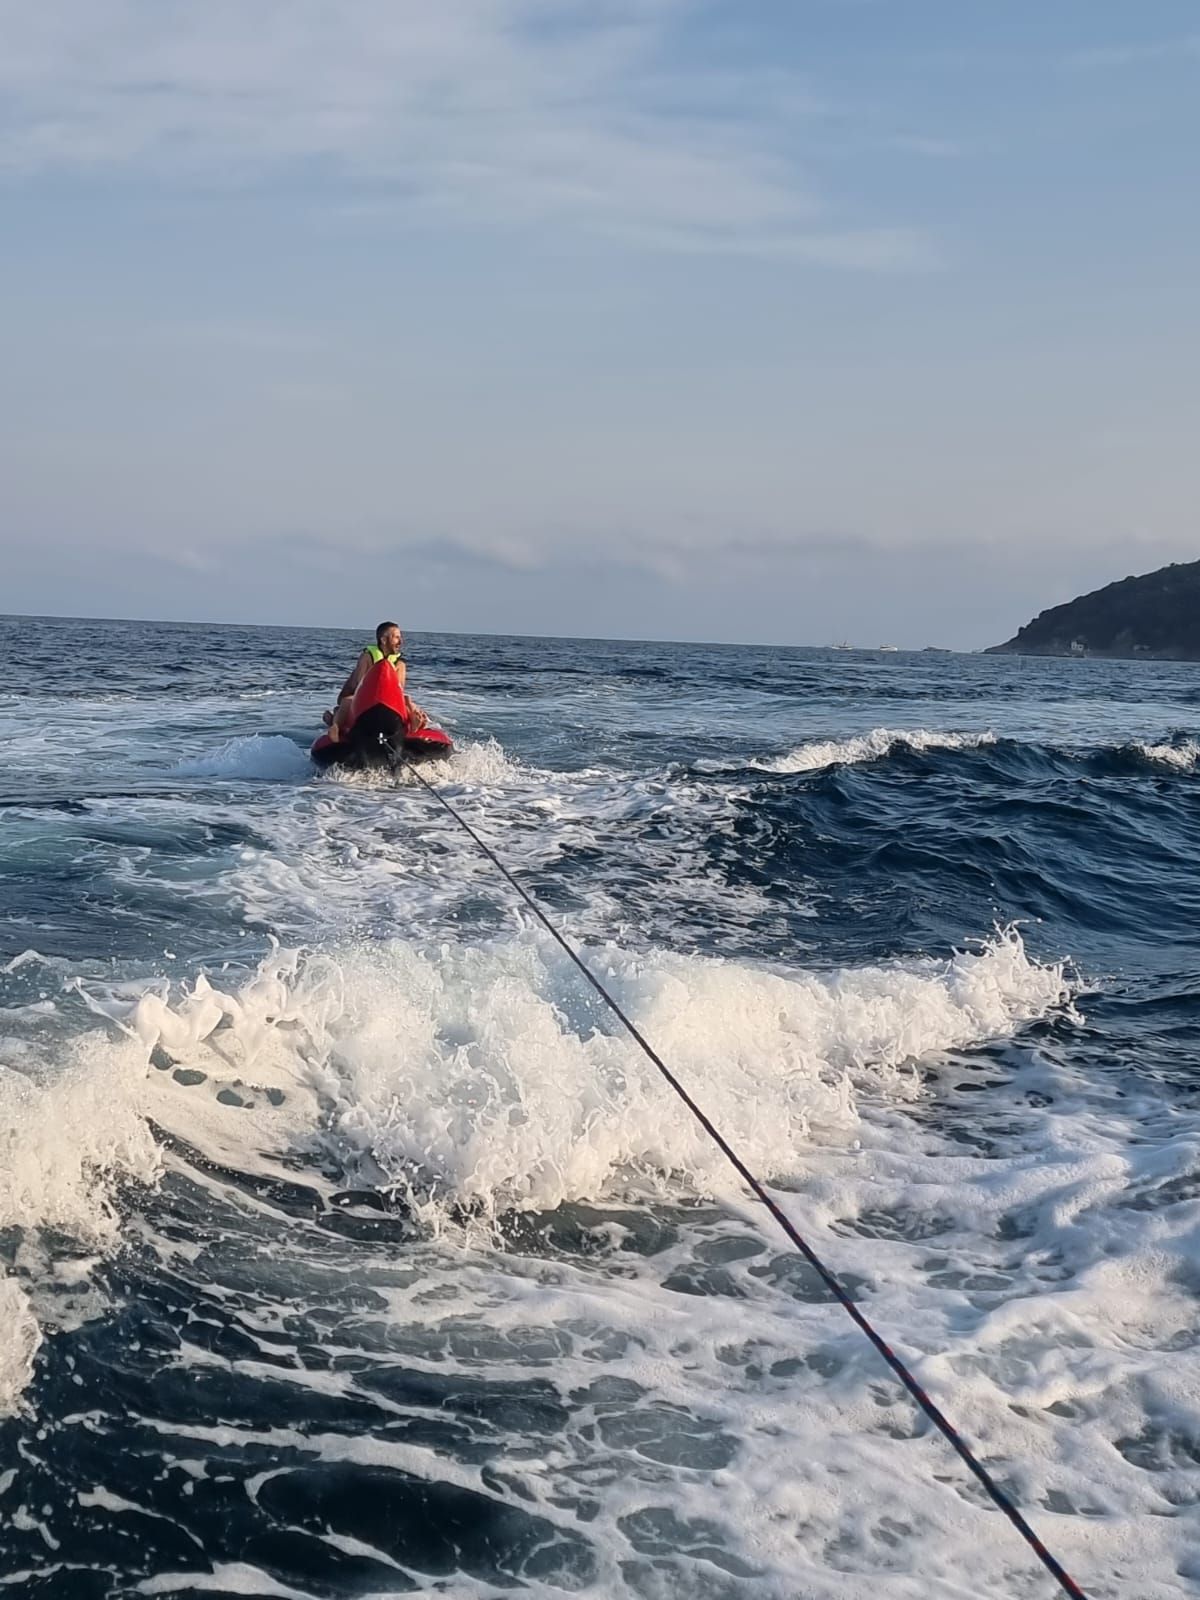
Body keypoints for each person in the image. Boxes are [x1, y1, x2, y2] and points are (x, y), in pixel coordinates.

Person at [324, 621, 428, 740]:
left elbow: (399, 691)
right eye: (396, 638)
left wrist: (409, 705)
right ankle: (336, 727)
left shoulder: (400, 664)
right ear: (384, 640)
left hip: (387, 703)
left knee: (408, 700)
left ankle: (413, 724)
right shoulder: (367, 657)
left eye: (400, 637)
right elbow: (359, 683)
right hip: (362, 700)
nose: (401, 642)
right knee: (347, 700)